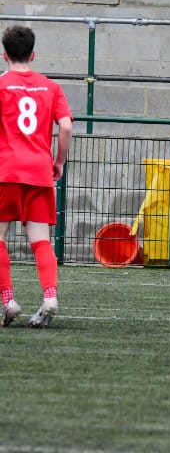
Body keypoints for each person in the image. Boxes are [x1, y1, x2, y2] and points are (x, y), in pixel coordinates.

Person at [0, 26, 73, 329]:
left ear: (4, 55)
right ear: (33, 55)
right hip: (40, 171)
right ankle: (50, 297)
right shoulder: (51, 87)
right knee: (41, 241)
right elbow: (66, 126)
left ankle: (8, 301)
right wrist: (58, 161)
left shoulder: (1, 85)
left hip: (6, 170)